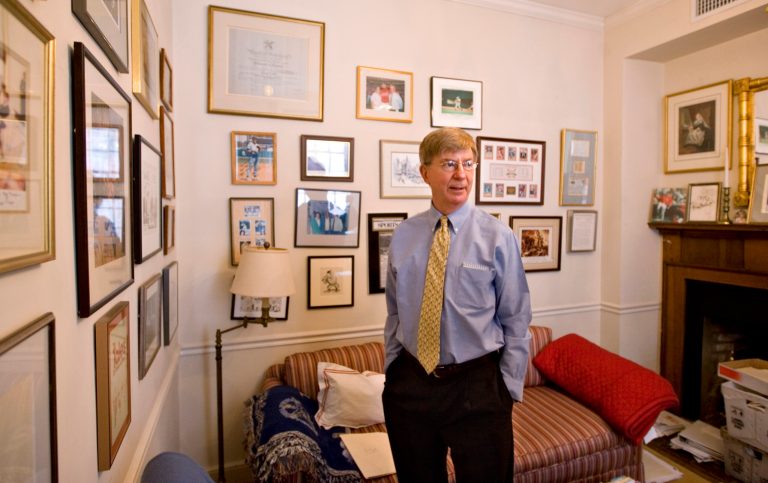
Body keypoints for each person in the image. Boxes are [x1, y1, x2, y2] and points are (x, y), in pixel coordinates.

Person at [382, 127, 532, 483]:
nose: (461, 174)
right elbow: (394, 311)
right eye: (449, 164)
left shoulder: (498, 237)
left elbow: (516, 318)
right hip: (412, 383)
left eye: (468, 164)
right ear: (425, 173)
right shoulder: (403, 235)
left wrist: (507, 388)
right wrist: (393, 369)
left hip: (477, 386)